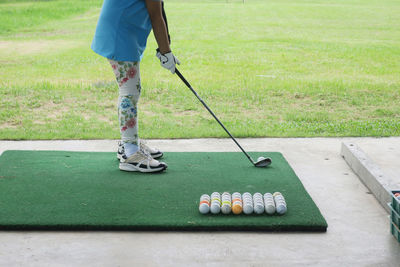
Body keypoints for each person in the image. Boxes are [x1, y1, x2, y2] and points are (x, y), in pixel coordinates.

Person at [91, 0, 179, 173]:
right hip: (119, 32)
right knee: (129, 91)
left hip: (121, 29)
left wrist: (165, 48)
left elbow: (159, 7)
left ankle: (129, 144)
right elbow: (155, 15)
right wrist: (166, 52)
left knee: (131, 90)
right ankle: (130, 153)